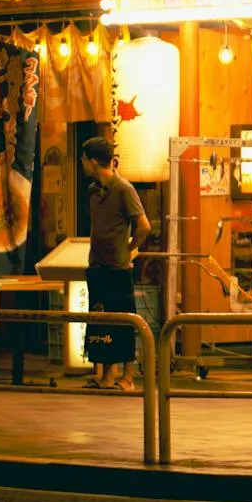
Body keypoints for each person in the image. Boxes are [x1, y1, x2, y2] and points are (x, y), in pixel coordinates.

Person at [80, 137, 149, 390]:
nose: (82, 165)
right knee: (100, 318)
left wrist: (130, 248)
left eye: (84, 160)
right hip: (97, 265)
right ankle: (106, 375)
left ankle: (128, 378)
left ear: (94, 162)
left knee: (124, 320)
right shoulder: (92, 191)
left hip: (118, 267)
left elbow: (143, 226)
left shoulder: (124, 189)